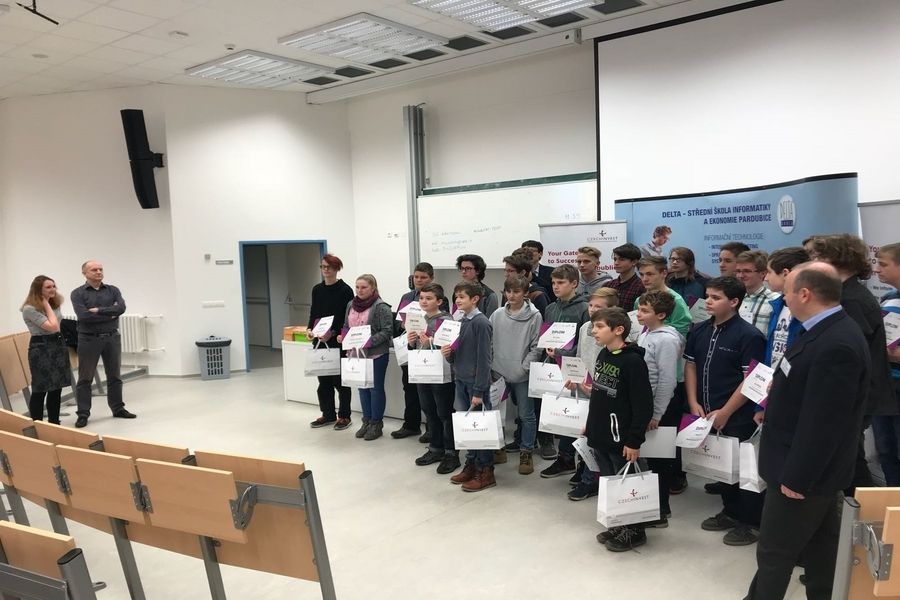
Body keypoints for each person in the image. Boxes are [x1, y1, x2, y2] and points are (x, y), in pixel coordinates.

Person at [745, 262, 869, 600]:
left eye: (786, 292)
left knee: (774, 552)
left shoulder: (836, 344)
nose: (782, 298)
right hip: (811, 470)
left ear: (804, 294)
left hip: (802, 473)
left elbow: (824, 424)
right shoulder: (822, 329)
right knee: (821, 547)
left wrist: (798, 478)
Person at [684, 276, 766, 546]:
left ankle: (752, 522)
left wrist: (727, 411)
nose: (708, 301)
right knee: (721, 467)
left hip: (737, 415)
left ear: (734, 302)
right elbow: (691, 366)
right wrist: (693, 402)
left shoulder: (749, 336)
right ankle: (731, 511)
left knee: (745, 470)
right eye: (707, 296)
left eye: (716, 297)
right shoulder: (699, 330)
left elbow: (750, 379)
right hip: (705, 411)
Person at [810, 234, 894, 493]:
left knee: (850, 459)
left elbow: (848, 353)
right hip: (854, 391)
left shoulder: (852, 299)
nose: (813, 262)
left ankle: (864, 511)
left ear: (837, 259)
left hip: (855, 393)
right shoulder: (846, 293)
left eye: (819, 257)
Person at [567, 307, 653, 552]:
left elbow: (643, 405)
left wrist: (634, 441)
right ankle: (618, 524)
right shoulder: (604, 354)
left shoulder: (633, 362)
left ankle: (635, 531)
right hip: (600, 433)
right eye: (593, 326)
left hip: (621, 438)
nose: (593, 331)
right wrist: (591, 424)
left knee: (626, 483)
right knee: (609, 482)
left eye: (599, 326)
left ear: (618, 330)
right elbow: (599, 394)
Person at [636, 290, 685, 526]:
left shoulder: (666, 340)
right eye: (639, 309)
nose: (638, 314)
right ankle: (649, 505)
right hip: (648, 403)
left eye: (645, 311)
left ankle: (660, 511)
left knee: (659, 460)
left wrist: (657, 413)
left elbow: (667, 380)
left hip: (663, 407)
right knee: (649, 457)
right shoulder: (646, 333)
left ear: (662, 315)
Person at [566, 287, 619, 500]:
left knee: (595, 439)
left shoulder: (613, 332)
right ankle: (584, 469)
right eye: (591, 305)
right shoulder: (585, 328)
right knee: (583, 434)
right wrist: (575, 377)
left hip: (603, 393)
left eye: (599, 306)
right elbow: (580, 356)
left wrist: (598, 387)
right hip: (585, 389)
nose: (593, 310)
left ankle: (591, 480)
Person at [540, 264, 590, 478]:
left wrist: (562, 351)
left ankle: (584, 464)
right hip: (554, 368)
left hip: (576, 369)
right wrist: (547, 348)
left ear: (574, 284)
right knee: (561, 414)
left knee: (578, 415)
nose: (556, 286)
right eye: (553, 283)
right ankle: (565, 459)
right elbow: (546, 335)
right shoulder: (551, 308)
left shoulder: (585, 308)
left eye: (561, 282)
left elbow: (587, 342)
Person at [70, 261, 135, 428]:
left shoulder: (113, 290)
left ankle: (118, 408)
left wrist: (98, 310)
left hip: (112, 338)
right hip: (88, 339)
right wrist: (110, 313)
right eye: (94, 270)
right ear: (84, 273)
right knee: (85, 378)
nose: (98, 272)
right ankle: (83, 413)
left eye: (100, 269)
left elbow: (121, 308)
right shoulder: (77, 293)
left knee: (114, 376)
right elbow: (84, 316)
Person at [444, 281, 495, 492]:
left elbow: (484, 360)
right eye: (456, 297)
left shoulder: (481, 323)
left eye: (462, 297)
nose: (457, 300)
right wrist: (449, 355)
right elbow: (458, 355)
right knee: (467, 428)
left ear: (474, 299)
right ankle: (472, 463)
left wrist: (479, 391)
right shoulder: (461, 321)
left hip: (476, 384)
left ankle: (486, 470)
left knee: (480, 428)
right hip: (461, 380)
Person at [490, 275, 543, 475]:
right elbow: (490, 341)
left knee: (526, 415)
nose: (511, 295)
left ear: (525, 293)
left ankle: (526, 452)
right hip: (498, 371)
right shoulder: (497, 314)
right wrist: (491, 365)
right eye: (508, 291)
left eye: (516, 292)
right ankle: (499, 449)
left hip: (522, 374)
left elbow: (536, 347)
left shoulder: (535, 316)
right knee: (498, 413)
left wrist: (523, 369)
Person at [409, 283, 460, 474]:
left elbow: (451, 346)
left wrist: (430, 341)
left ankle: (451, 453)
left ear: (439, 301)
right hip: (422, 371)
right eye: (421, 298)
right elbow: (415, 346)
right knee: (429, 410)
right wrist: (411, 341)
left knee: (445, 413)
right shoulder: (418, 319)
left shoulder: (446, 320)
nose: (424, 301)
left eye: (429, 298)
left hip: (442, 374)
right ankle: (435, 448)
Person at [338, 274, 393, 441]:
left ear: (373, 288)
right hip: (356, 354)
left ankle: (376, 423)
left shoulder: (381, 307)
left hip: (375, 354)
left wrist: (369, 341)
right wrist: (343, 337)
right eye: (357, 287)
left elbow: (387, 331)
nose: (359, 290)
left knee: (375, 389)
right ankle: (366, 421)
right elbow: (346, 326)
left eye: (364, 287)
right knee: (362, 388)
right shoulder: (350, 304)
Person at [392, 262, 442, 440]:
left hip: (428, 350)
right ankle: (411, 425)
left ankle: (431, 428)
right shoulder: (407, 297)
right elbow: (397, 322)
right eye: (416, 277)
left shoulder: (438, 296)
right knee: (409, 388)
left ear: (431, 278)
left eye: (423, 277)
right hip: (409, 347)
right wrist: (403, 325)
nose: (419, 280)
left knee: (429, 392)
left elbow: (440, 322)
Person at [308, 253, 355, 430]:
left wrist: (333, 332)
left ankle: (344, 416)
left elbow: (346, 317)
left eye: (329, 267)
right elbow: (314, 312)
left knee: (340, 382)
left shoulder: (345, 290)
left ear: (336, 269)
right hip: (319, 341)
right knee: (323, 382)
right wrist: (309, 329)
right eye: (323, 266)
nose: (325, 270)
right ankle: (327, 414)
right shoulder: (317, 289)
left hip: (337, 341)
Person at [20, 276, 70, 424]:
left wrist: (48, 303)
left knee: (57, 387)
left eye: (54, 286)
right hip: (41, 347)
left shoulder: (54, 304)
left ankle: (54, 423)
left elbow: (57, 327)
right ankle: (37, 424)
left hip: (57, 345)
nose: (53, 289)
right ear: (38, 290)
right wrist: (45, 303)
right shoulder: (29, 309)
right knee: (40, 388)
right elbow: (53, 326)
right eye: (48, 287)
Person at [872, 243, 900, 485]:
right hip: (884, 384)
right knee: (885, 448)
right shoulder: (888, 298)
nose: (877, 269)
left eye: (883, 264)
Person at [763, 247, 809, 368]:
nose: (766, 278)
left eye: (769, 272)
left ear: (785, 273)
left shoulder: (805, 310)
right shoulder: (776, 306)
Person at [635, 257, 692, 336]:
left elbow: (681, 330)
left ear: (664, 273)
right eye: (641, 274)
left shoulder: (676, 300)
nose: (644, 279)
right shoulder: (639, 300)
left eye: (650, 274)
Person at [736, 250, 779, 336]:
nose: (741, 275)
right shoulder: (733, 298)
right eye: (738, 271)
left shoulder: (775, 300)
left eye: (747, 271)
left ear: (763, 273)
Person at [503, 252, 549, 317]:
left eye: (511, 271)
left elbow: (543, 320)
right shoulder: (507, 290)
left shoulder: (537, 295)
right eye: (505, 270)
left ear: (522, 272)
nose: (506, 274)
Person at [603, 243, 646, 311]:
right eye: (615, 259)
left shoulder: (642, 287)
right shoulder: (608, 285)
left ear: (634, 262)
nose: (616, 263)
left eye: (621, 259)